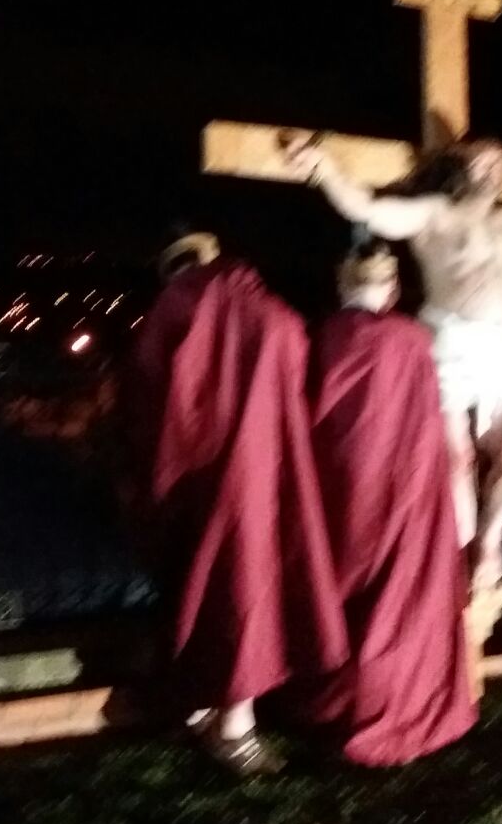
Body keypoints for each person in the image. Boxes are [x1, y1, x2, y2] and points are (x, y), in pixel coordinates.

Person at [280, 134, 502, 592]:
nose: (493, 171)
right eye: (482, 162)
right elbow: (367, 208)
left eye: (500, 165)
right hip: (453, 342)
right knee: (454, 457)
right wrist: (322, 167)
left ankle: (490, 540)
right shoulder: (433, 213)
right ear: (458, 167)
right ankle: (458, 554)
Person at [125, 231, 347, 776]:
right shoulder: (269, 307)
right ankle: (226, 720)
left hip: (197, 475)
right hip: (264, 469)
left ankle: (214, 715)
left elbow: (150, 390)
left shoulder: (177, 304)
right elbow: (295, 364)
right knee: (248, 590)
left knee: (201, 586)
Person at [300, 241, 476, 765]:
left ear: (342, 285)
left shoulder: (323, 337)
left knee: (345, 588)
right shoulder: (412, 339)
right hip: (403, 485)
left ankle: (338, 701)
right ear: (394, 287)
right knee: (401, 594)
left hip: (341, 487)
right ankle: (398, 702)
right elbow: (432, 417)